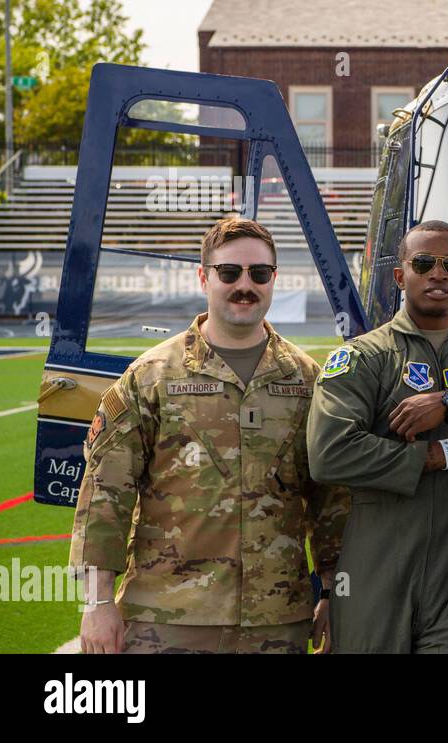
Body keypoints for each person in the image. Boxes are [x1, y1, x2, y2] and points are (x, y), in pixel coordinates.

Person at [68, 217, 348, 654]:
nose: (244, 285)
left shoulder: (306, 380)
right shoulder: (152, 377)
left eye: (259, 274)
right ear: (204, 277)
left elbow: (330, 498)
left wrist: (332, 593)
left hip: (275, 621)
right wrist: (98, 602)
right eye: (229, 272)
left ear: (274, 278)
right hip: (168, 619)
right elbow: (106, 494)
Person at [306, 220, 448, 653]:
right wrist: (440, 455)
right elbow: (330, 453)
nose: (438, 273)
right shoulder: (362, 358)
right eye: (424, 263)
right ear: (401, 276)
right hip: (375, 575)